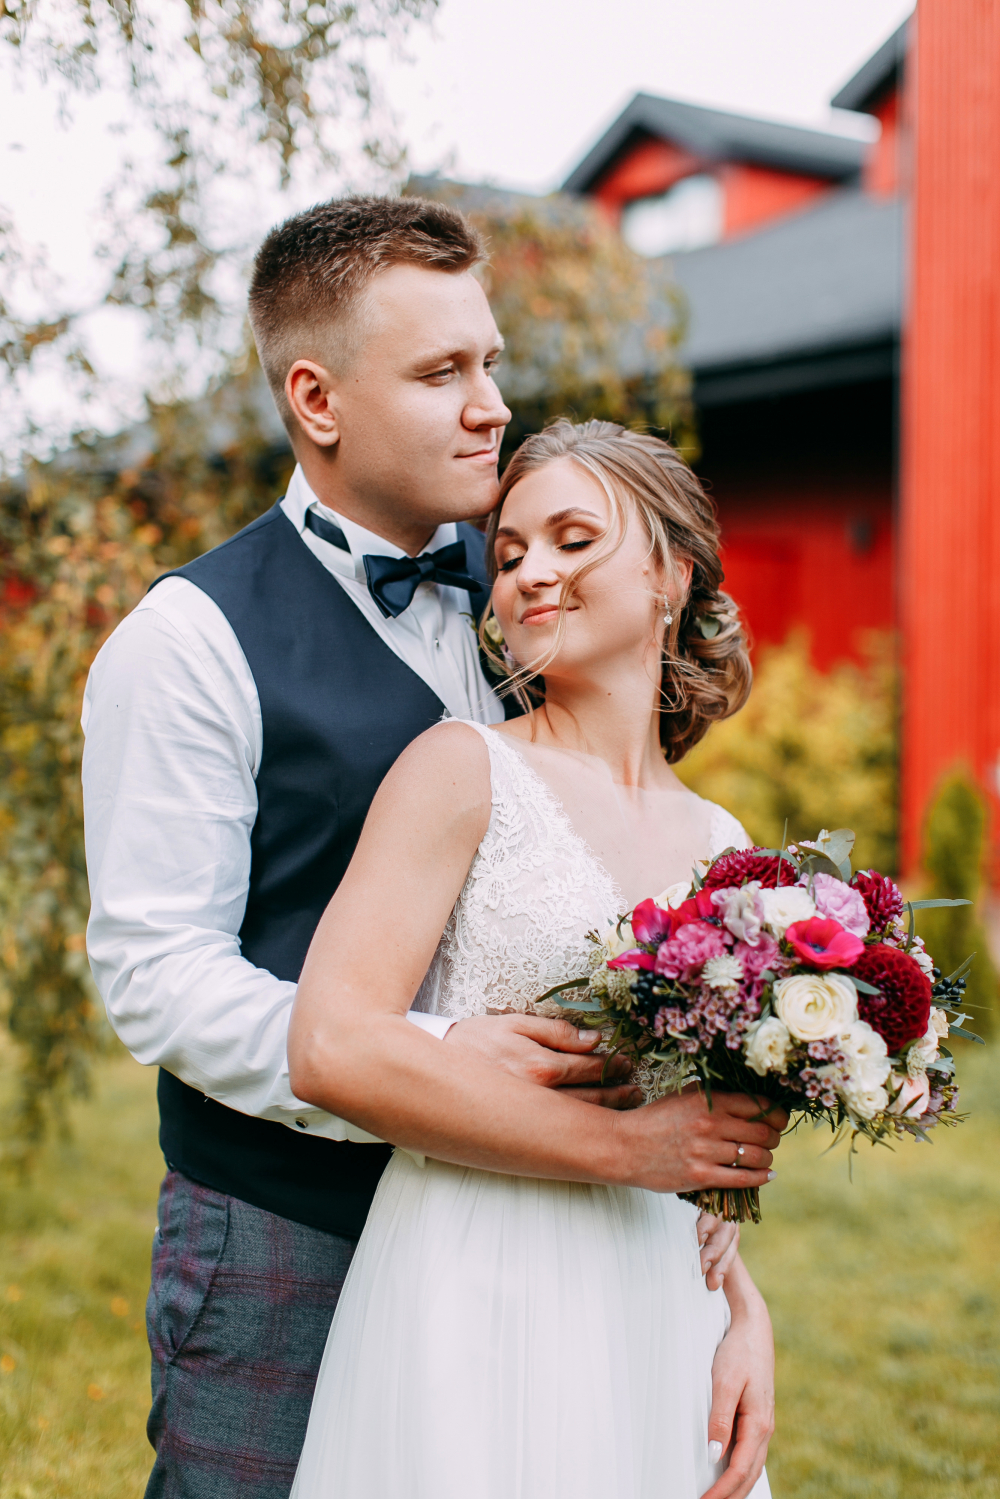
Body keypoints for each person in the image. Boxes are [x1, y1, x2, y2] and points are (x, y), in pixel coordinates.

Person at [81, 197, 779, 1499]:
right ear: (317, 398)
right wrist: (429, 1057)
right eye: (441, 371)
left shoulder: (531, 585)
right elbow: (155, 973)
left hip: (572, 1247)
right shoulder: (187, 643)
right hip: (287, 1222)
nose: (490, 405)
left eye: (491, 363)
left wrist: (728, 1288)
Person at [287, 418, 778, 1499]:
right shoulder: (460, 770)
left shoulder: (725, 847)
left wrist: (743, 1307)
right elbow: (330, 1046)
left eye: (572, 540)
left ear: (670, 574)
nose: (528, 574)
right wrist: (629, 1150)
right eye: (508, 554)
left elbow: (697, 1131)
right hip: (478, 1268)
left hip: (659, 1296)